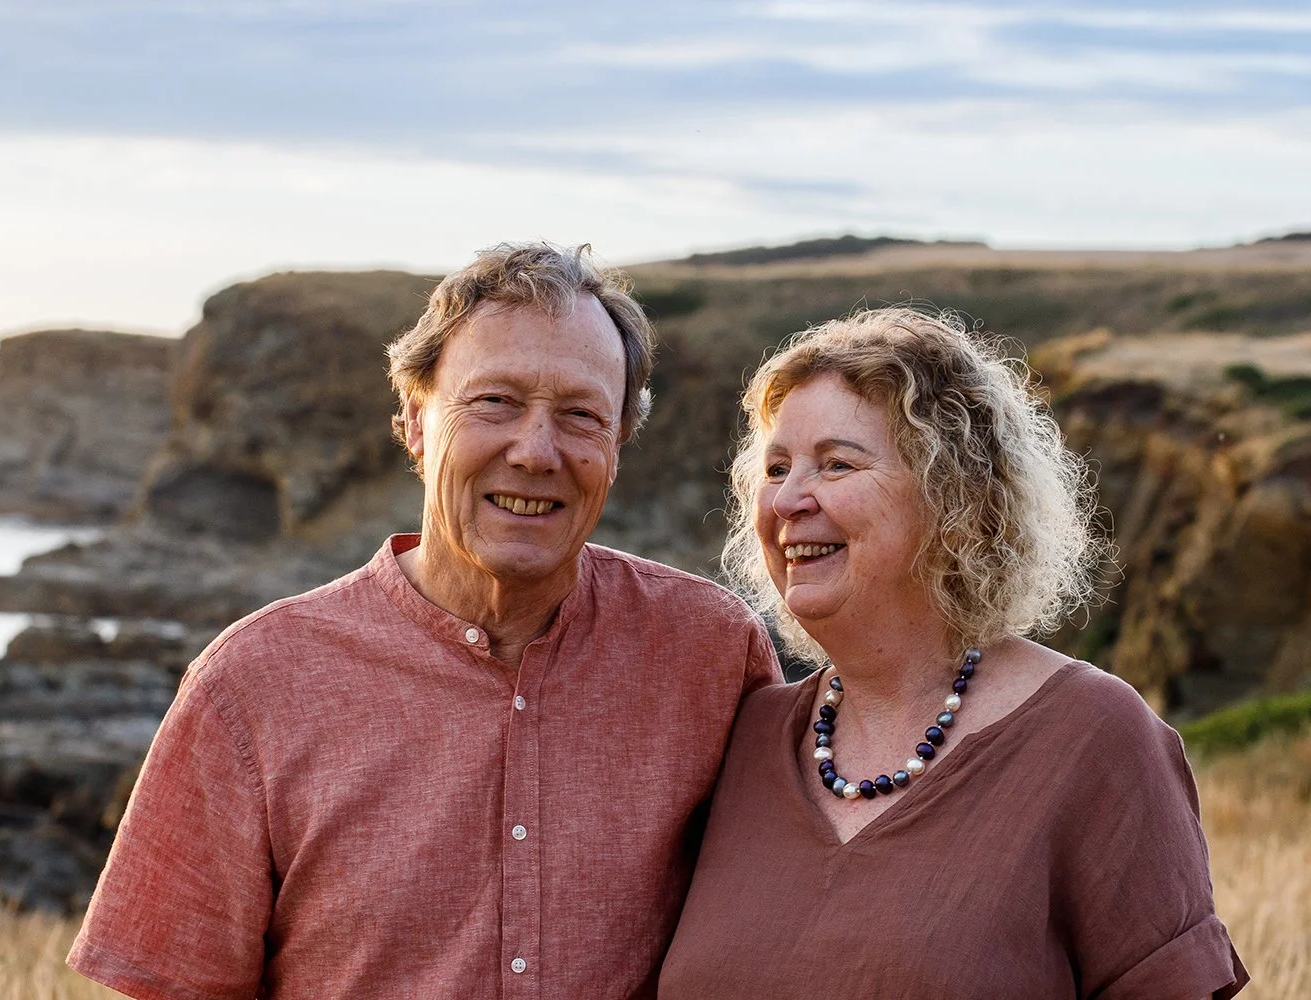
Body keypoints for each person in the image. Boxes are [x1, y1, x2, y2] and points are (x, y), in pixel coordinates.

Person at [68, 243, 781, 1000]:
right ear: (415, 420)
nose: (536, 452)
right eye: (495, 402)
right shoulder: (250, 685)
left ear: (616, 447)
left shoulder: (710, 652)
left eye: (580, 415)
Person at [658, 307, 1248, 999]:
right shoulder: (748, 737)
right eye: (777, 466)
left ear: (954, 501)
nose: (786, 499)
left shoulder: (1093, 736)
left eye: (837, 464)